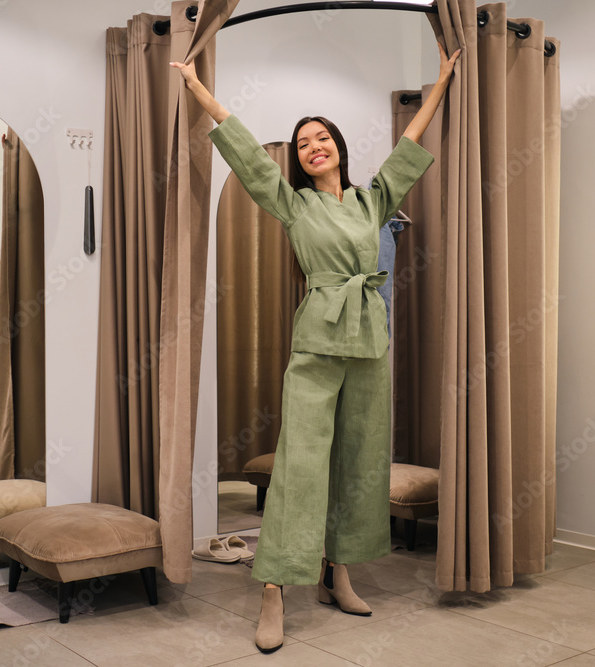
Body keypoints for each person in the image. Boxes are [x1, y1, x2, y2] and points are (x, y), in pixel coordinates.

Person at [171, 42, 460, 654]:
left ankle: (338, 572)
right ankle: (273, 586)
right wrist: (197, 89)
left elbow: (411, 142)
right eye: (303, 143)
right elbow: (247, 154)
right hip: (318, 343)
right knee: (300, 468)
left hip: (370, 344)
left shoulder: (372, 200)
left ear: (339, 148)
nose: (313, 146)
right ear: (298, 160)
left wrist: (440, 81)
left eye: (322, 137)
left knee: (359, 464)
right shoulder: (292, 202)